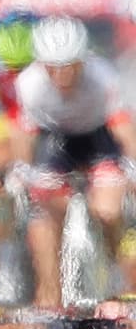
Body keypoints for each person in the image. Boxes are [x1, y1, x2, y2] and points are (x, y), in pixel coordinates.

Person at [14, 17, 136, 308]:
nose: (63, 76)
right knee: (45, 213)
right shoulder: (29, 84)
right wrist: (19, 170)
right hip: (54, 143)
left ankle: (119, 281)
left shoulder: (102, 76)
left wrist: (132, 164)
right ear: (42, 65)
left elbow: (121, 127)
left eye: (70, 66)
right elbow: (23, 135)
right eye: (54, 68)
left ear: (83, 61)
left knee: (107, 209)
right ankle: (49, 295)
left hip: (97, 139)